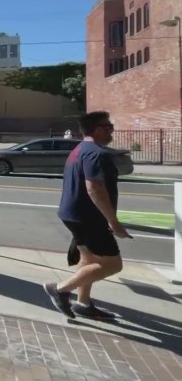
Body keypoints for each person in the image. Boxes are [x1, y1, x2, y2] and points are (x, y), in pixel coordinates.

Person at [44, 111, 130, 320]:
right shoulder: (96, 154)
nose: (112, 130)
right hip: (89, 218)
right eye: (109, 126)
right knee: (112, 264)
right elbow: (95, 188)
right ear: (99, 129)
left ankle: (83, 303)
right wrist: (113, 221)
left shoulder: (80, 149)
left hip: (74, 214)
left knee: (89, 259)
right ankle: (60, 289)